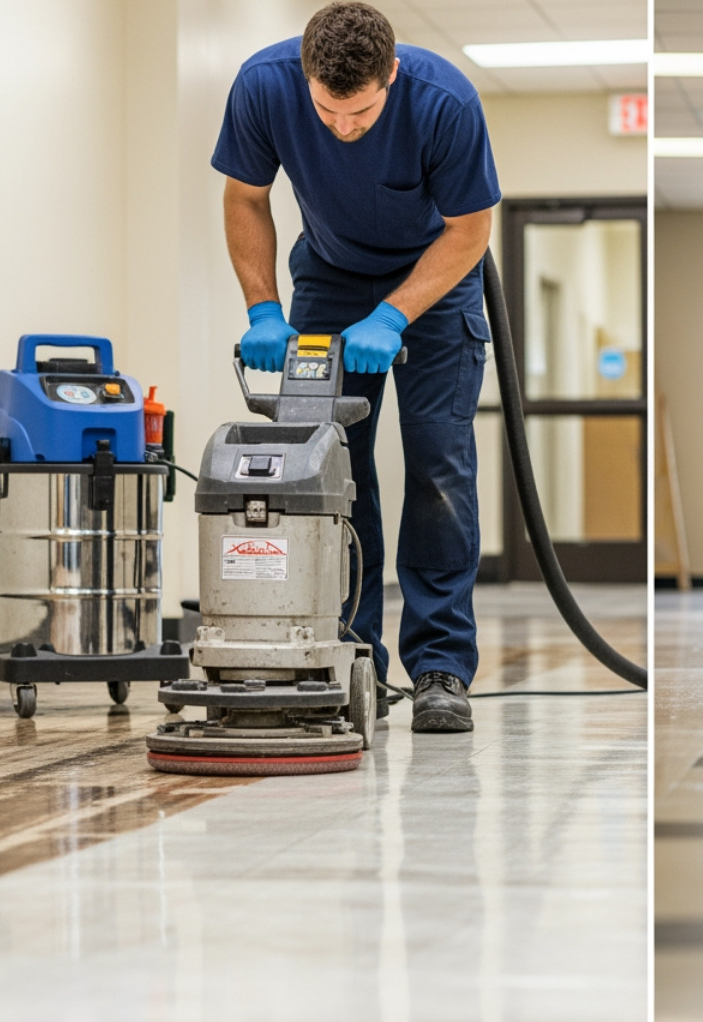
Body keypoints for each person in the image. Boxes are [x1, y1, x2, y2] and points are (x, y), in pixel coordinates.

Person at [212, 1, 499, 729]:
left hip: (436, 279)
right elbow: (246, 197)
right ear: (305, 78)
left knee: (439, 467)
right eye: (328, 111)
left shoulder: (445, 102)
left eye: (361, 114)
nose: (343, 128)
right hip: (331, 279)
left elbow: (470, 231)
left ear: (391, 76)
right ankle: (344, 650)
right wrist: (263, 309)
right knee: (327, 468)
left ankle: (439, 668)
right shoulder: (263, 85)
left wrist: (395, 314)